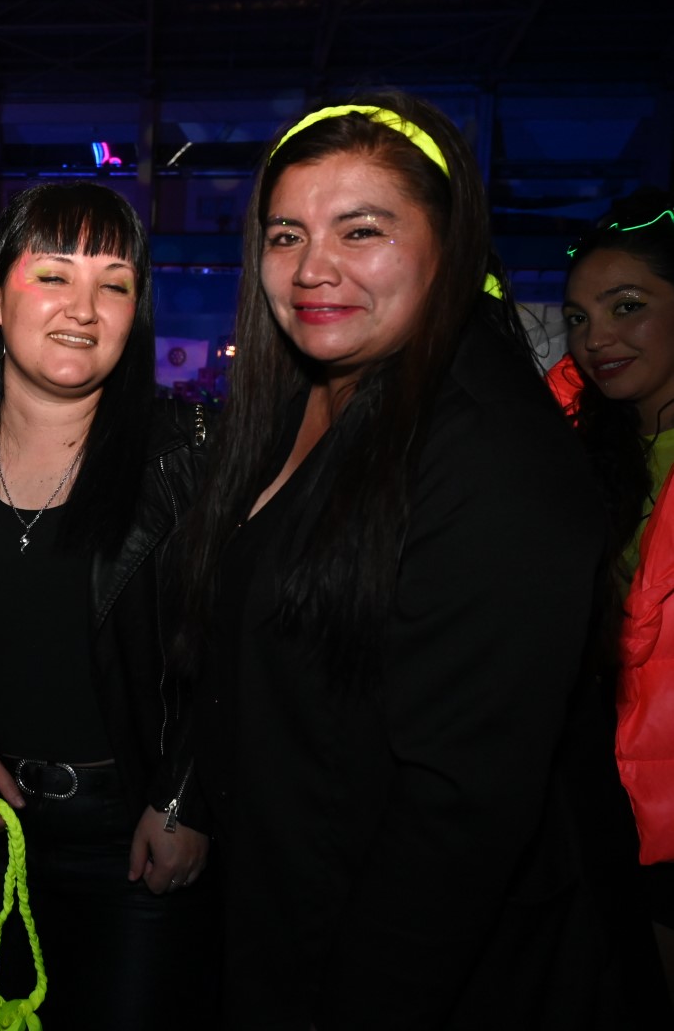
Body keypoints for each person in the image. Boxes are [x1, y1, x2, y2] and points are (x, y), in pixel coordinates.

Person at [171, 93, 605, 1027]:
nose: (311, 268)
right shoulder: (304, 399)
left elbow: (459, 812)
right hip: (278, 918)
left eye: (360, 230)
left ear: (449, 246)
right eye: (285, 236)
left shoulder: (493, 451)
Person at [0, 181, 214, 1026]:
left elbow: (231, 658)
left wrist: (182, 802)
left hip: (136, 838)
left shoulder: (188, 458)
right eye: (53, 276)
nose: (83, 307)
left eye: (114, 284)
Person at [552, 189, 674, 1013]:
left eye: (626, 307)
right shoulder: (575, 450)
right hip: (607, 801)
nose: (596, 338)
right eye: (578, 317)